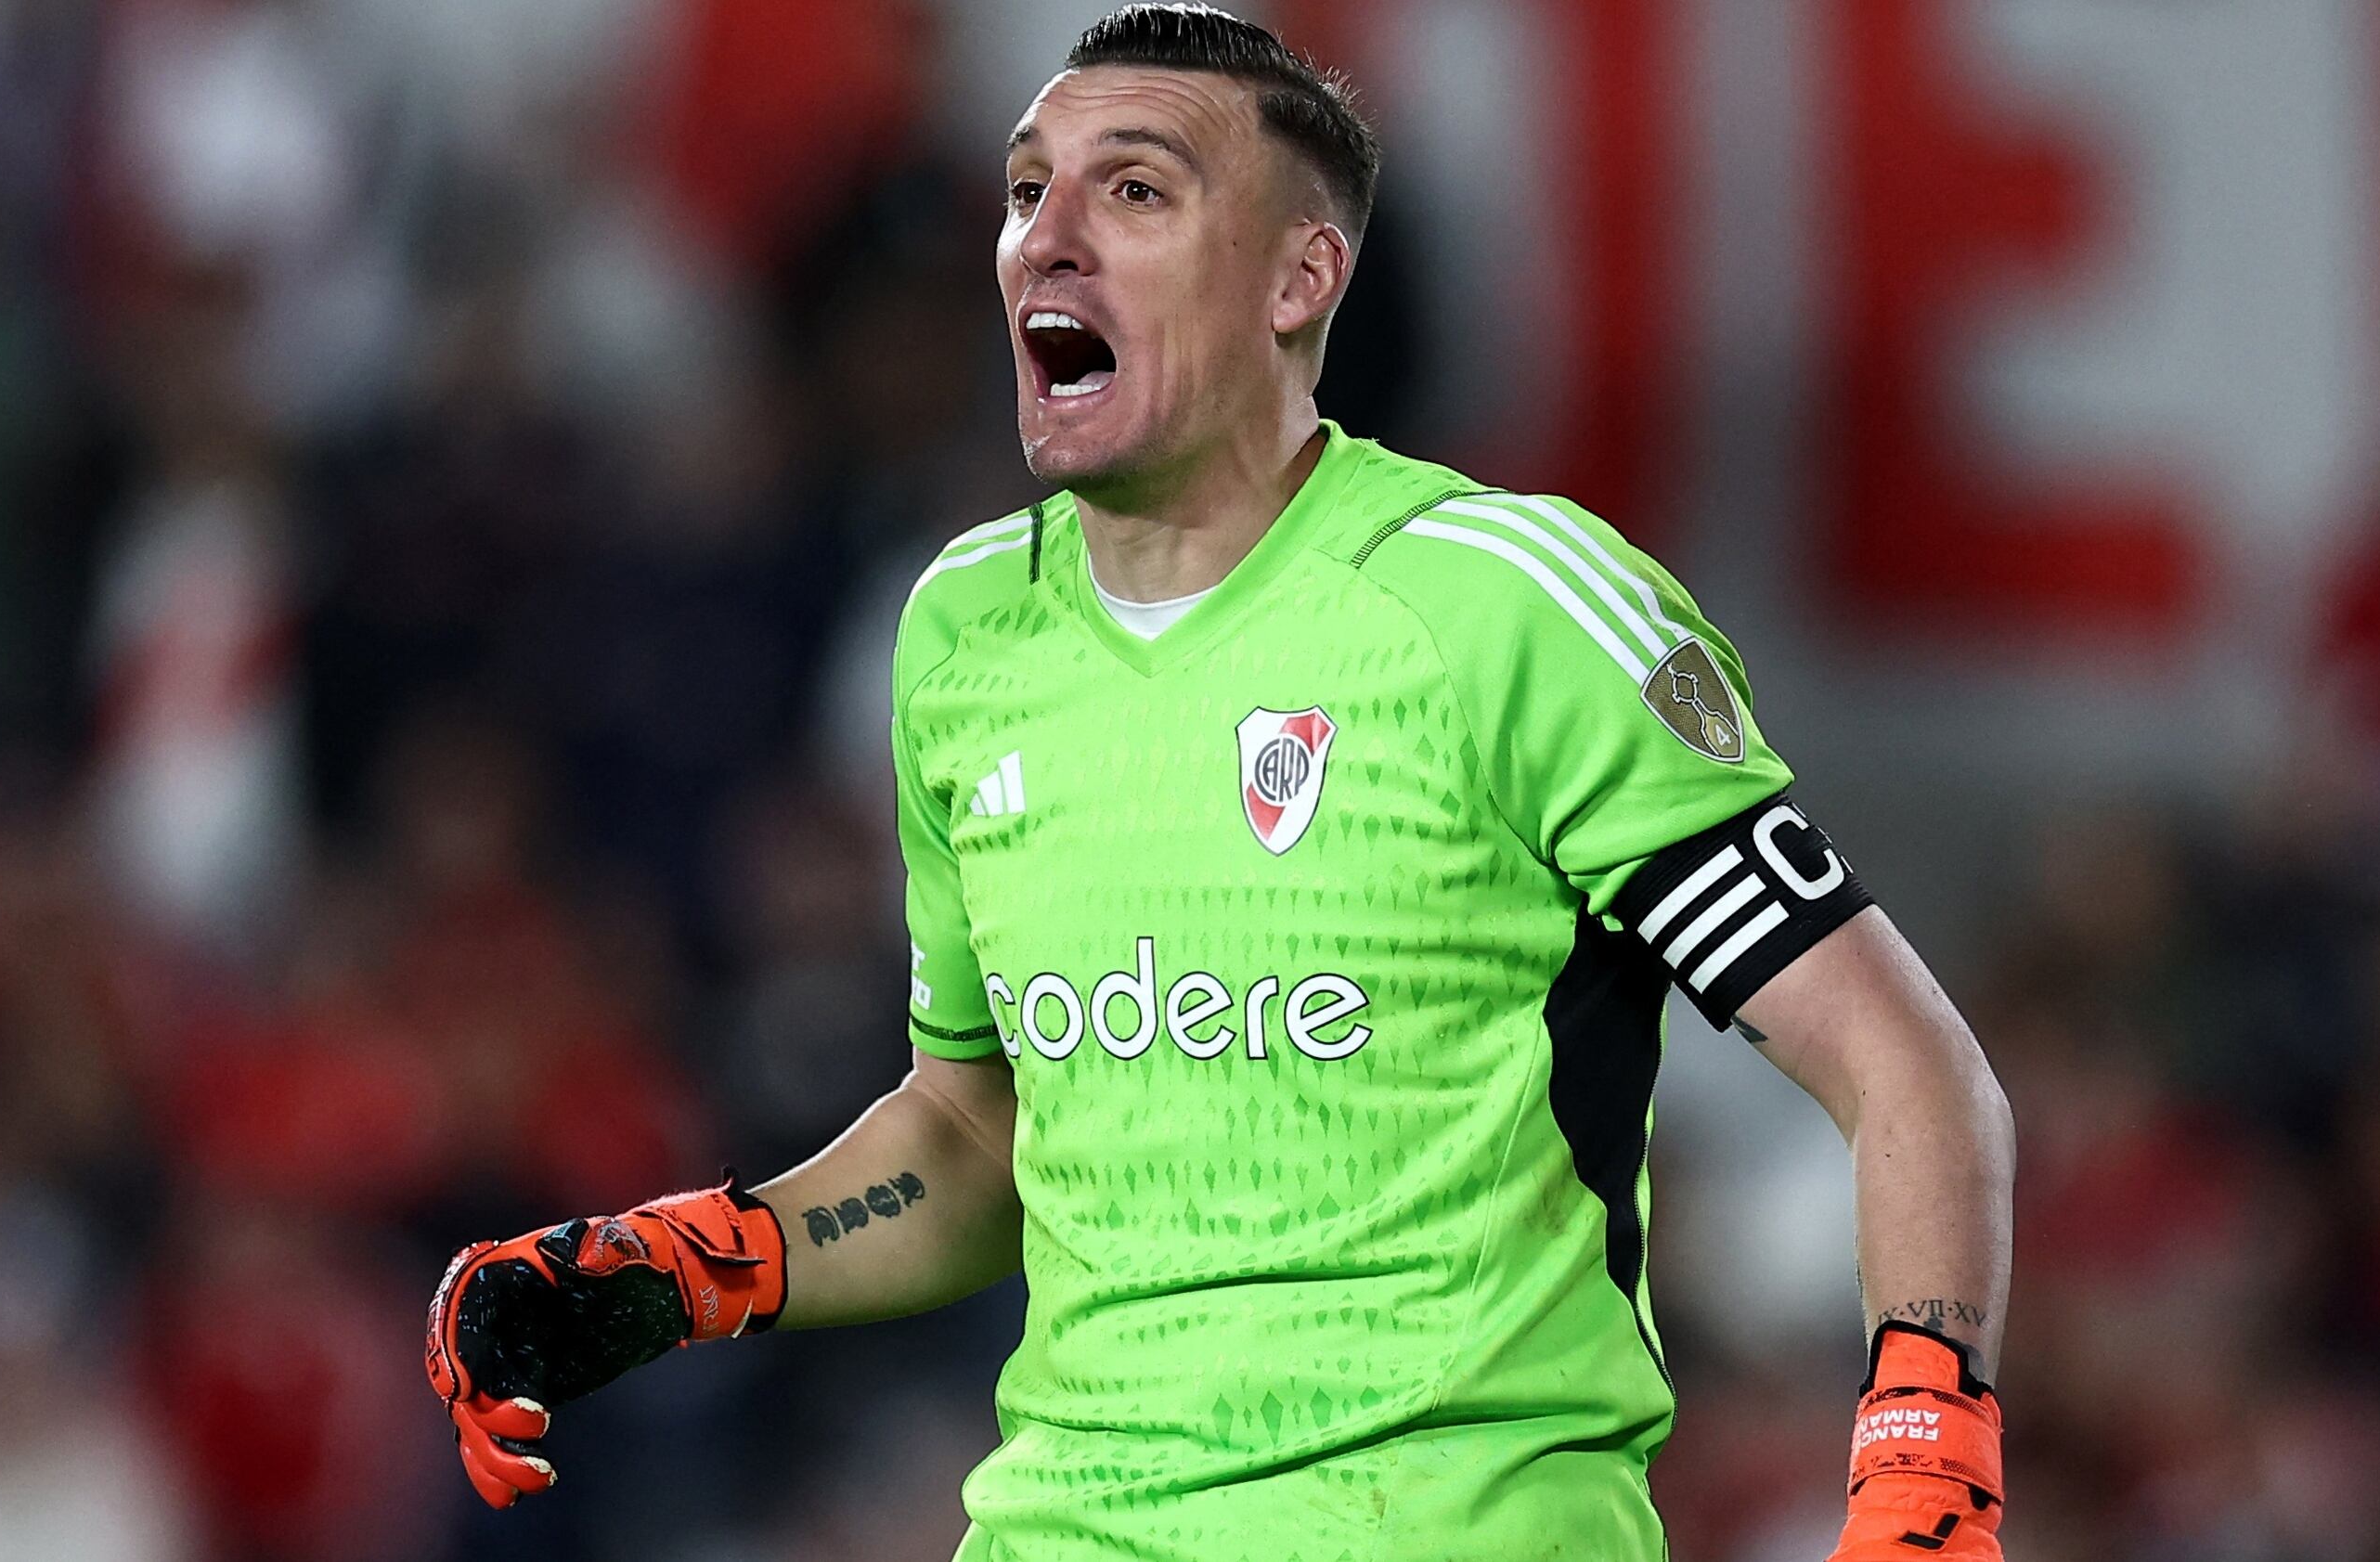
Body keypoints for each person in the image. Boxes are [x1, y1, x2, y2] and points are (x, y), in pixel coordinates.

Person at [424, 7, 2016, 1558]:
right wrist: (689, 1268)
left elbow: (1907, 1072)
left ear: (1296, 276)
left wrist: (1923, 1476)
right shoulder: (961, 632)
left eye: (1134, 190)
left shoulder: (1509, 607)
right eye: (1027, 187)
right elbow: (981, 1139)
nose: (1049, 236)